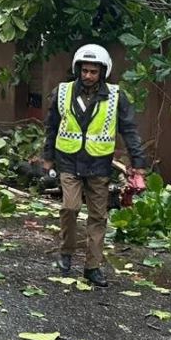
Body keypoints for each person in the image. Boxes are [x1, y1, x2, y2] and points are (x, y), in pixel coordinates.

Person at [42, 44, 146, 287]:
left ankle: (92, 267)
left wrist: (138, 164)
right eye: (85, 70)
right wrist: (47, 158)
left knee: (98, 216)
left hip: (99, 164)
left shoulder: (116, 97)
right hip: (68, 160)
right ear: (78, 69)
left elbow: (129, 130)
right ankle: (66, 253)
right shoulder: (63, 92)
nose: (88, 75)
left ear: (103, 72)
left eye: (93, 71)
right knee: (70, 207)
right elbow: (52, 126)